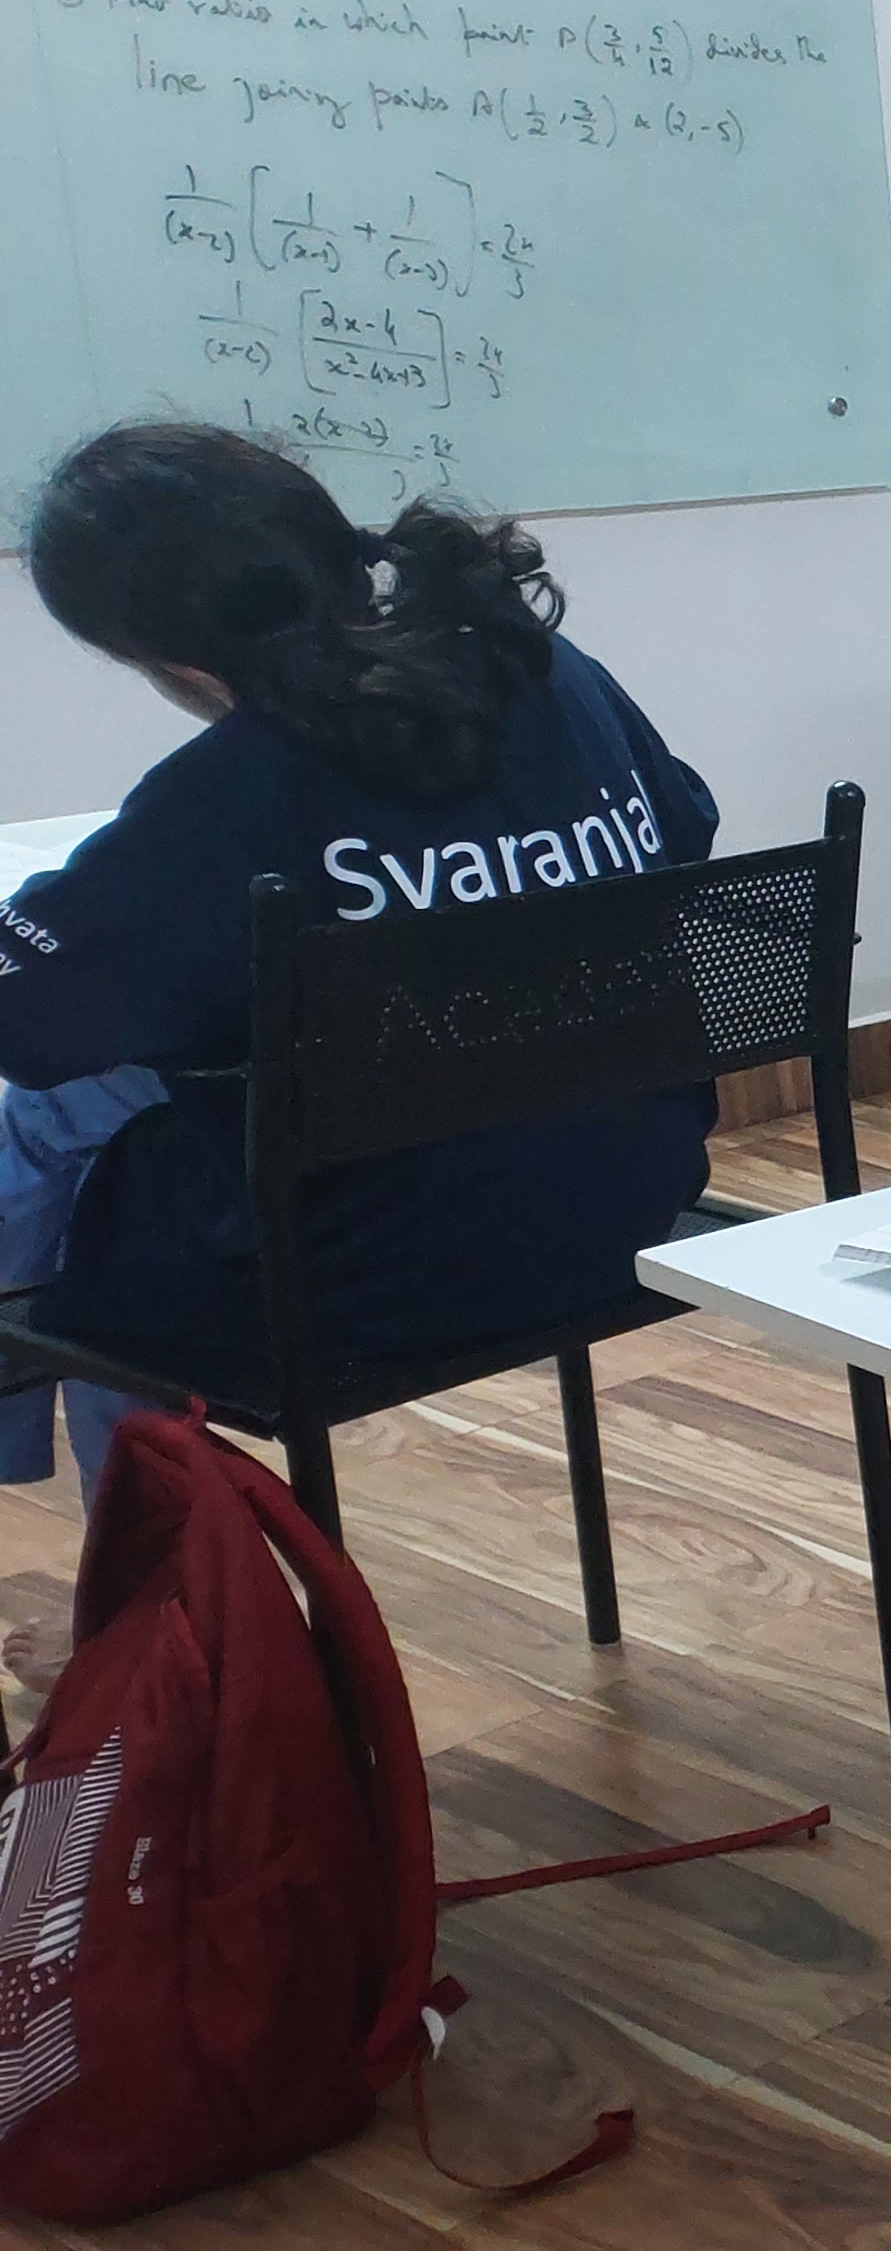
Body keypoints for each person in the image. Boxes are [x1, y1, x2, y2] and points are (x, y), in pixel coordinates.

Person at [3, 422, 722, 1501]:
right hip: (628, 1178)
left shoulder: (233, 792)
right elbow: (685, 821)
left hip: (377, 1264)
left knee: (53, 1148)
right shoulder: (543, 672)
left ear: (173, 661)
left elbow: (35, 1026)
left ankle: (137, 1565)